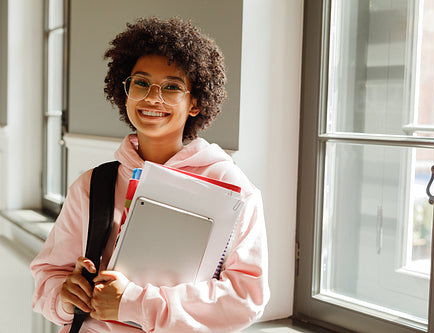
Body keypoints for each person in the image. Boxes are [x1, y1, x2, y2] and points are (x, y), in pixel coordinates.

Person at [31, 16, 269, 332]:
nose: (152, 97)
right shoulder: (93, 186)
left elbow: (244, 299)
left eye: (172, 87)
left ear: (195, 102)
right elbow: (47, 277)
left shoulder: (233, 188)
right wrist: (65, 296)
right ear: (125, 91)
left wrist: (134, 302)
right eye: (141, 82)